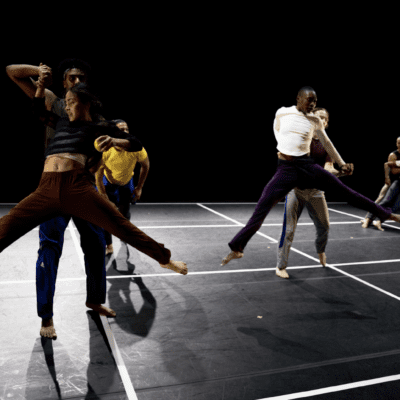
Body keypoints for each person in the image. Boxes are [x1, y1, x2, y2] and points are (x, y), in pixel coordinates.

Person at [0, 81, 188, 331]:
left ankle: (164, 258)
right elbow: (36, 108)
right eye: (65, 103)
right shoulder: (61, 122)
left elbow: (135, 143)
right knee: (6, 226)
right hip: (46, 187)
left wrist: (115, 141)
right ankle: (47, 316)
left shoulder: (100, 126)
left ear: (86, 103)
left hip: (77, 187)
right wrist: (40, 86)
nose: (67, 107)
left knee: (119, 225)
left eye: (71, 102)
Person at [221, 87, 400, 266]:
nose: (313, 104)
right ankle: (237, 248)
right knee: (262, 207)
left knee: (347, 192)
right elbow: (277, 129)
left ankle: (387, 215)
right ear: (298, 98)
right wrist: (282, 148)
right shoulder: (282, 112)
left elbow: (327, 142)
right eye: (310, 100)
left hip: (306, 166)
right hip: (286, 169)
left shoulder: (315, 120)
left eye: (315, 101)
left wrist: (342, 163)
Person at [6, 59, 111, 339]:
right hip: (55, 187)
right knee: (49, 249)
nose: (76, 82)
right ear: (64, 83)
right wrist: (38, 72)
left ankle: (95, 299)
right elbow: (12, 72)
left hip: (83, 188)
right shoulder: (54, 103)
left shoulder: (94, 113)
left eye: (81, 78)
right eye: (71, 78)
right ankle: (46, 316)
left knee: (96, 245)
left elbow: (99, 153)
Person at [276, 107, 348, 279]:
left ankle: (320, 250)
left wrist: (342, 171)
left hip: (316, 191)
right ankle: (280, 266)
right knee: (289, 230)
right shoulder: (301, 139)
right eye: (318, 116)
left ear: (326, 123)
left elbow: (328, 169)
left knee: (324, 226)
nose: (321, 120)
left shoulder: (326, 145)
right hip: (296, 190)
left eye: (324, 118)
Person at [95, 119, 150, 255]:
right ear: (113, 133)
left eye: (127, 129)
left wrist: (139, 187)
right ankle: (109, 245)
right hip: (108, 183)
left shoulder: (136, 148)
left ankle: (124, 235)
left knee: (124, 215)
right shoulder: (105, 150)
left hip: (126, 183)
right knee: (107, 216)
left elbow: (145, 166)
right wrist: (103, 194)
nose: (125, 132)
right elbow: (98, 174)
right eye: (121, 129)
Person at [361, 136, 400, 231]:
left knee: (396, 206)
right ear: (396, 144)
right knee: (382, 200)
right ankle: (368, 219)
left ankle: (378, 220)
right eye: (399, 143)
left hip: (397, 182)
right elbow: (392, 171)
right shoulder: (393, 155)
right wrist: (387, 178)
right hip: (391, 182)